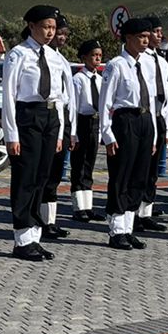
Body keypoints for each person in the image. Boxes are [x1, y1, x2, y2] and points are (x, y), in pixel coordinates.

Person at [0, 6, 63, 260]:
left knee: (42, 176)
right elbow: (9, 95)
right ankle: (22, 238)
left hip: (50, 117)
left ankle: (35, 235)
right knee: (26, 176)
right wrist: (11, 134)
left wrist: (59, 132)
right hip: (28, 115)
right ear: (32, 26)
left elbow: (59, 96)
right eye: (46, 26)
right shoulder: (19, 54)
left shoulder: (54, 56)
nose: (50, 32)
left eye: (53, 27)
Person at [98, 16, 158, 251]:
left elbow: (151, 100)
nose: (146, 41)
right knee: (121, 175)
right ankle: (116, 230)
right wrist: (107, 134)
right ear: (129, 38)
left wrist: (153, 135)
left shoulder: (147, 64)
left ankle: (128, 228)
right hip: (125, 120)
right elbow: (105, 102)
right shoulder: (116, 65)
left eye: (147, 37)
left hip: (145, 120)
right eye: (141, 37)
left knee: (139, 176)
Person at [39, 11, 77, 239]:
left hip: (63, 119)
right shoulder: (42, 56)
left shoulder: (62, 59)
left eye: (64, 33)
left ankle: (50, 220)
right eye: (57, 32)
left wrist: (71, 130)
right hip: (47, 117)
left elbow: (69, 97)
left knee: (55, 173)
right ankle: (40, 219)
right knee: (43, 172)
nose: (61, 37)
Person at [137, 20, 168, 231]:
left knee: (153, 170)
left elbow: (166, 97)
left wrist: (167, 127)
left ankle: (146, 212)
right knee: (141, 167)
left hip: (159, 116)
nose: (159, 36)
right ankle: (134, 212)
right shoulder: (141, 59)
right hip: (145, 115)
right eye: (155, 32)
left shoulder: (162, 62)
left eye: (160, 32)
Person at [69, 39, 104, 221]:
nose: (97, 58)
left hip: (95, 122)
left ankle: (88, 206)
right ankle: (78, 207)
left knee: (90, 163)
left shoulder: (100, 79)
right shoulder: (78, 79)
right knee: (79, 164)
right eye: (93, 55)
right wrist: (73, 133)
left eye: (99, 55)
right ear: (84, 57)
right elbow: (74, 107)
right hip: (82, 121)